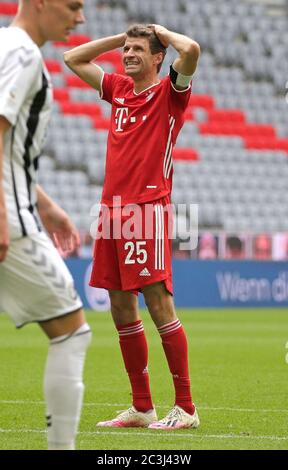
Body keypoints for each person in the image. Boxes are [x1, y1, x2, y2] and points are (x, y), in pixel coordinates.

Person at [64, 24, 200, 430]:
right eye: (127, 50)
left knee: (159, 304)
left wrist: (160, 32)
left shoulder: (170, 94)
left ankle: (186, 408)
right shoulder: (120, 90)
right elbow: (73, 59)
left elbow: (190, 48)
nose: (129, 54)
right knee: (121, 307)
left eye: (139, 49)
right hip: (110, 211)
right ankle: (142, 407)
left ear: (159, 57)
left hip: (148, 209)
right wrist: (119, 39)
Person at [0, 0, 92, 450]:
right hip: (11, 224)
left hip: (19, 207)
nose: (80, 17)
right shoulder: (21, 52)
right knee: (73, 330)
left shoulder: (5, 46)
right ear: (39, 2)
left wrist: (49, 205)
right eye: (73, 6)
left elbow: (11, 149)